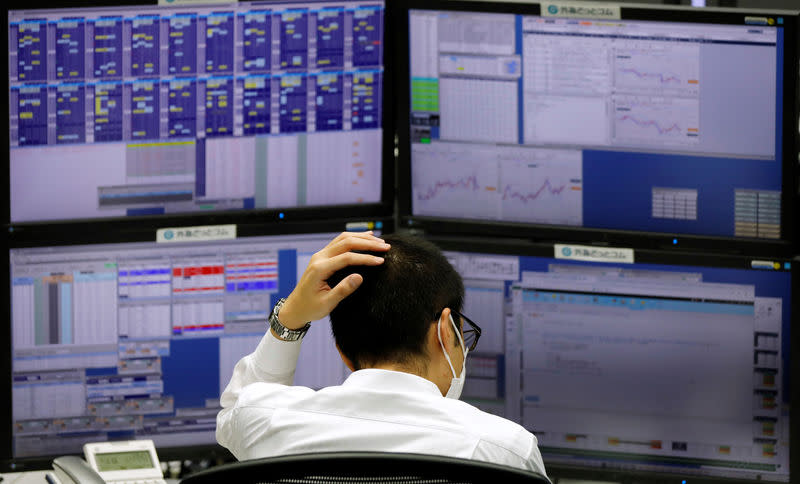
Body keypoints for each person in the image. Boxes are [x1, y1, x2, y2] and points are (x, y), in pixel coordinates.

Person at [216, 231, 547, 476]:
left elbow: (235, 409)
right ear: (446, 332)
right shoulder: (506, 452)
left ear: (343, 353)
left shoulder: (265, 420)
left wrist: (290, 318)